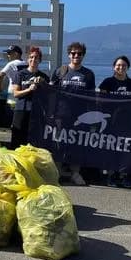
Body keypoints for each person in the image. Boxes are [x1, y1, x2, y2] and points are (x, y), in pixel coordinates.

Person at [50, 41, 96, 186]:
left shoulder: (88, 74)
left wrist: (92, 117)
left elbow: (92, 97)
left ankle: (75, 173)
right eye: (73, 53)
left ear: (83, 56)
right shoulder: (60, 71)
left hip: (80, 116)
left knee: (77, 144)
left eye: (79, 54)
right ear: (69, 55)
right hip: (61, 114)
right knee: (58, 143)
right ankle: (57, 173)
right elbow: (51, 92)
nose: (76, 56)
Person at [99, 55, 131, 188]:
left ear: (128, 67)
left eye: (123, 65)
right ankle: (112, 176)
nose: (121, 67)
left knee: (126, 149)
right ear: (114, 67)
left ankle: (126, 176)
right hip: (111, 121)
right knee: (111, 149)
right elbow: (101, 101)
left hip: (127, 122)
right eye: (118, 65)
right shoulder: (107, 82)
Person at [10, 46, 49, 149]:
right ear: (28, 59)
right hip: (21, 111)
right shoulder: (20, 74)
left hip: (36, 112)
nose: (33, 60)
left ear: (40, 60)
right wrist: (29, 89)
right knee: (17, 140)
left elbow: (48, 96)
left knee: (34, 142)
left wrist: (43, 84)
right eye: (31, 57)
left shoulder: (44, 77)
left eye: (36, 57)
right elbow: (16, 94)